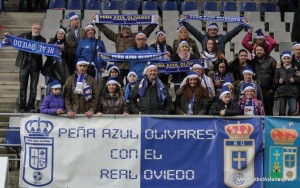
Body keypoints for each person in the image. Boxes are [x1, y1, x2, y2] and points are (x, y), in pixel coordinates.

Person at [94, 16, 159, 86]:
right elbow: (106, 31)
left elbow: (146, 32)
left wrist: (154, 22)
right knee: (118, 84)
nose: (125, 30)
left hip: (130, 66)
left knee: (131, 84)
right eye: (124, 29)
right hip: (119, 66)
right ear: (121, 30)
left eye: (127, 29)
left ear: (131, 31)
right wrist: (97, 22)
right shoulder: (117, 37)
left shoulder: (135, 37)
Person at [4, 23, 46, 112]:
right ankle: (22, 106)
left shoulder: (42, 40)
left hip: (35, 66)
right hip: (24, 64)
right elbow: (13, 40)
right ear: (32, 28)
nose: (37, 30)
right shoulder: (24, 36)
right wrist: (8, 36)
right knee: (23, 86)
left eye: (38, 29)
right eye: (35, 28)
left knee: (34, 87)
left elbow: (45, 51)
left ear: (40, 29)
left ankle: (30, 106)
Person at [180, 20, 247, 54]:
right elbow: (193, 31)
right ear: (208, 30)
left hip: (219, 65)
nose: (212, 31)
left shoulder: (222, 38)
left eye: (214, 30)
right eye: (211, 30)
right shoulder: (203, 38)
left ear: (217, 31)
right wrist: (184, 22)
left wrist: (242, 25)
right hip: (206, 65)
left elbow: (233, 32)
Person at [251, 45, 278, 115]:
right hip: (256, 91)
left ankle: (268, 126)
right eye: (257, 50)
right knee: (256, 112)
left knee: (269, 112)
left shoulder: (272, 61)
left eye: (261, 50)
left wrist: (273, 89)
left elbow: (276, 75)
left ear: (265, 51)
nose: (259, 52)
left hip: (268, 91)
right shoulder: (253, 62)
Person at [274, 51, 299, 116]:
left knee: (293, 111)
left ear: (291, 59)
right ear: (282, 60)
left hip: (292, 93)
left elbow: (299, 78)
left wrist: (294, 80)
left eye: (288, 58)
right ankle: (281, 125)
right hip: (282, 92)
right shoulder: (279, 69)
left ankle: (294, 125)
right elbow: (275, 79)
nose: (286, 60)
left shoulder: (294, 69)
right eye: (285, 58)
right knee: (282, 111)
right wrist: (278, 81)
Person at [292, 43, 300, 113]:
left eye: (299, 50)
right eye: (296, 49)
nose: (298, 51)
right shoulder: (288, 60)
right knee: (292, 110)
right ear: (293, 50)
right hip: (291, 89)